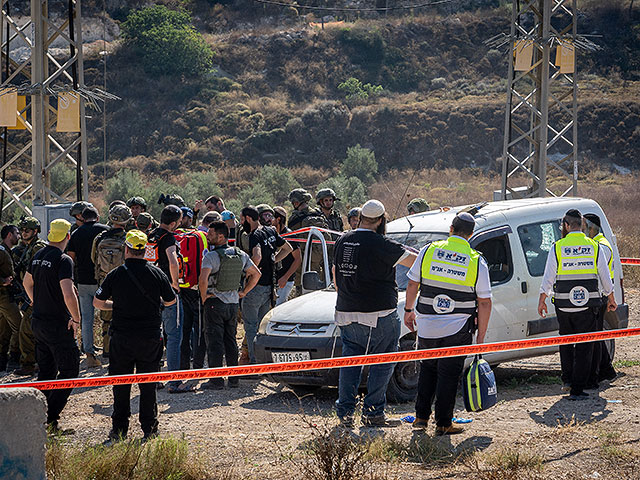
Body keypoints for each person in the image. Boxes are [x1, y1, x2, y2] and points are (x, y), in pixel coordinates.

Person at [404, 212, 492, 435]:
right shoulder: (475, 260)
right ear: (471, 235)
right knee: (448, 374)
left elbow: (413, 284)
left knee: (428, 371)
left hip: (427, 325)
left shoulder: (429, 251)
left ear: (451, 229)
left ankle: (421, 418)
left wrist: (408, 310)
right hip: (457, 326)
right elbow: (484, 302)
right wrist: (481, 335)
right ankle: (443, 423)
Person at [333, 200, 417, 427]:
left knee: (350, 363)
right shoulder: (382, 243)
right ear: (381, 220)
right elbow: (414, 263)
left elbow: (336, 276)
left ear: (360, 217)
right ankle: (373, 413)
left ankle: (345, 414)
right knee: (383, 361)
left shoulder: (342, 240)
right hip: (379, 313)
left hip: (346, 311)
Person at [94, 230, 176, 444]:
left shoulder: (116, 274)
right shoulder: (157, 273)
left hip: (121, 337)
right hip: (149, 337)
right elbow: (170, 301)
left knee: (121, 384)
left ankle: (119, 430)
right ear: (144, 250)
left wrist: (116, 305)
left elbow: (98, 302)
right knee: (147, 385)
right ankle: (149, 429)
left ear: (127, 249)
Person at [537, 209, 616, 401]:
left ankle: (568, 380)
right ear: (582, 225)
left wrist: (542, 300)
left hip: (563, 305)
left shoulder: (557, 247)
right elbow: (605, 277)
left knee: (565, 342)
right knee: (584, 346)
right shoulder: (594, 246)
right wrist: (611, 297)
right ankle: (578, 389)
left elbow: (548, 277)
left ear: (566, 225)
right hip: (587, 305)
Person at [22, 219, 80, 434]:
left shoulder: (38, 256)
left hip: (38, 321)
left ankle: (38, 419)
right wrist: (76, 319)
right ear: (68, 236)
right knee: (70, 369)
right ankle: (50, 419)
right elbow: (68, 292)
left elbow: (27, 283)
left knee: (46, 372)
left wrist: (37, 301)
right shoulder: (64, 259)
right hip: (57, 325)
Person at [199, 221, 261, 389]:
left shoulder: (211, 256)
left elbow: (203, 280)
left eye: (211, 234)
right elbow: (256, 274)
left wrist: (204, 297)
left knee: (214, 342)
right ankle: (234, 379)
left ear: (221, 236)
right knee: (231, 341)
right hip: (233, 304)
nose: (208, 236)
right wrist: (244, 292)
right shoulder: (240, 254)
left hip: (214, 303)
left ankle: (216, 380)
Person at [240, 206, 292, 363]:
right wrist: (273, 260)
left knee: (250, 326)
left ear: (248, 219)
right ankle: (263, 361)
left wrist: (248, 273)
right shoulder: (270, 231)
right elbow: (287, 248)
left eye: (242, 219)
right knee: (262, 328)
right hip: (269, 287)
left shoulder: (253, 236)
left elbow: (256, 256)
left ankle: (255, 363)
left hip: (255, 287)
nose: (241, 223)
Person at [146, 205, 189, 393]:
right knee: (174, 336)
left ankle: (155, 378)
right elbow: (172, 260)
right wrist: (175, 284)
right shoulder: (169, 237)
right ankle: (174, 381)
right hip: (167, 292)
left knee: (156, 336)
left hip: (150, 292)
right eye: (178, 222)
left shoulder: (150, 235)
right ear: (172, 223)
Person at [67, 206, 108, 368]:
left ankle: (89, 353)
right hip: (104, 281)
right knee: (110, 316)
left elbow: (71, 259)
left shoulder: (76, 233)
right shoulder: (105, 231)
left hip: (83, 282)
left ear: (83, 218)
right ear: (97, 217)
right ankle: (110, 349)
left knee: (86, 318)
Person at [91, 204, 131, 359]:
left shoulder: (100, 237)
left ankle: (107, 349)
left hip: (105, 280)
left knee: (106, 319)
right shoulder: (128, 237)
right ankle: (122, 349)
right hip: (124, 282)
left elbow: (93, 259)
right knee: (124, 316)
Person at [583, 213, 618, 387]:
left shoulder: (600, 246)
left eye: (584, 227)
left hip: (600, 296)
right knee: (596, 336)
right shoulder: (598, 244)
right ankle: (607, 371)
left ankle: (597, 373)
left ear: (591, 228)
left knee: (595, 338)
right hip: (598, 295)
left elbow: (599, 273)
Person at [12, 216, 47, 375]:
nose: (23, 233)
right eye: (22, 230)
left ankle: (29, 364)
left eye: (27, 230)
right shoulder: (22, 249)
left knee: (26, 330)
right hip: (28, 293)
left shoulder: (38, 248)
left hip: (35, 294)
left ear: (35, 231)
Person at [176, 206, 209, 372]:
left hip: (181, 287)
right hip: (196, 289)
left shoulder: (176, 237)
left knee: (184, 329)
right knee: (199, 330)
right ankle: (197, 366)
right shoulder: (199, 236)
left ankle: (182, 365)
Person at [0, 225, 22, 372]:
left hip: (5, 295)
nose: (19, 236)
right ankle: (15, 357)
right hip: (4, 296)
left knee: (4, 330)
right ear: (9, 235)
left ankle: (2, 361)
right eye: (17, 233)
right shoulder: (1, 252)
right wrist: (2, 281)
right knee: (20, 325)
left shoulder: (6, 251)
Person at [273, 207, 301, 305]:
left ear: (278, 219)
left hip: (284, 281)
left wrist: (285, 277)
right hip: (274, 280)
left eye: (271, 217)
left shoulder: (289, 235)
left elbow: (297, 259)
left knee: (279, 308)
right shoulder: (272, 234)